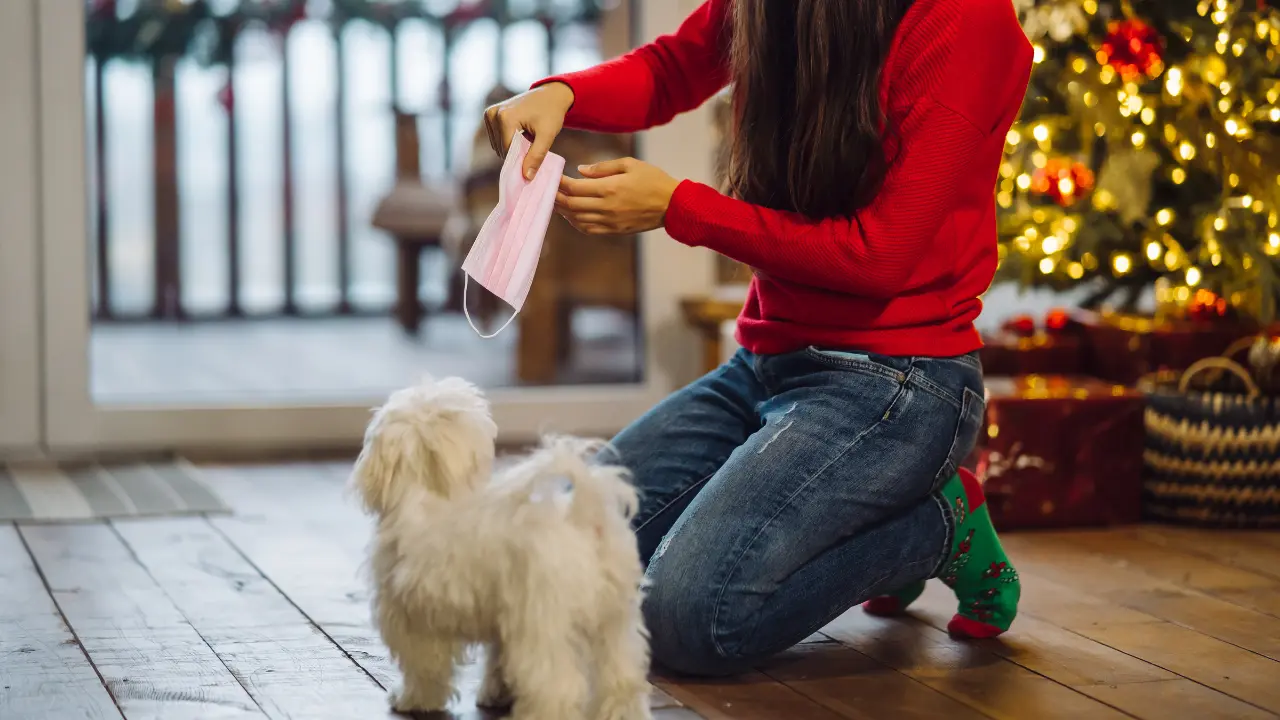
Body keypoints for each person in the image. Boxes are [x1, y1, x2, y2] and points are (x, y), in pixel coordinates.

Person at [483, 0, 1033, 677]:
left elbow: (880, 256)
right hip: (766, 365)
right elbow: (674, 68)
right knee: (564, 556)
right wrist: (561, 94)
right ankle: (863, 518)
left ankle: (937, 527)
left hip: (901, 383)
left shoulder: (965, 20)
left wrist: (680, 207)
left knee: (687, 619)